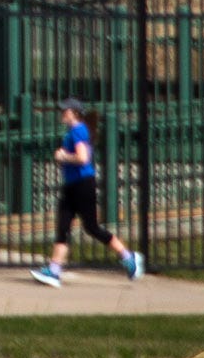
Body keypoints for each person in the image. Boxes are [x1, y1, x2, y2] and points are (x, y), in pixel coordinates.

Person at [33, 100, 143, 286]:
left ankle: (128, 257)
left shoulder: (78, 130)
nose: (61, 113)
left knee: (91, 227)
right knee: (63, 226)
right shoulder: (75, 131)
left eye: (65, 110)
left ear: (74, 113)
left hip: (82, 184)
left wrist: (63, 156)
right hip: (72, 185)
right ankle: (54, 271)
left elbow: (83, 158)